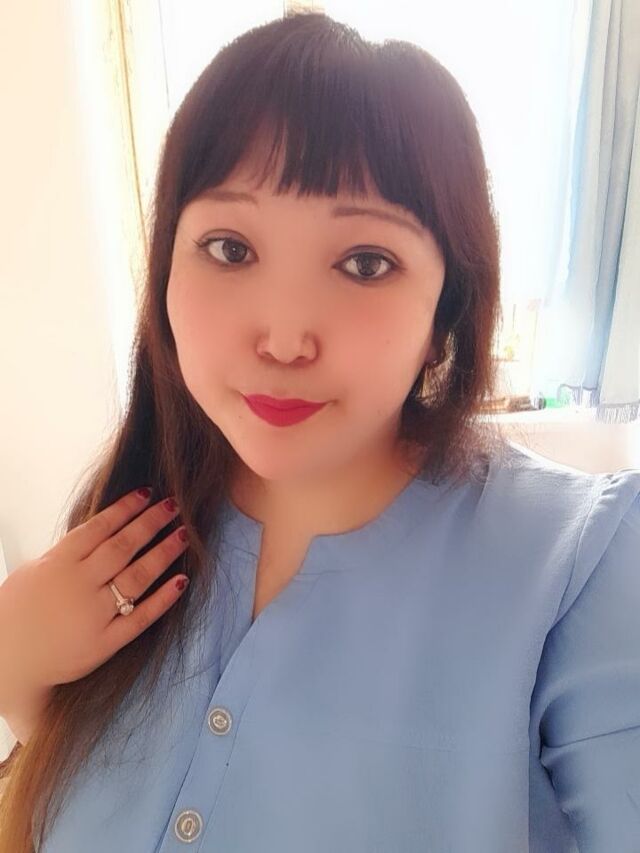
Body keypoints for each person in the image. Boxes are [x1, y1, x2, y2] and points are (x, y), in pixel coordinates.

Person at [0, 11, 639, 853]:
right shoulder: (131, 514)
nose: (284, 337)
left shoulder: (582, 563)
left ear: (445, 312)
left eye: (365, 263)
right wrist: (16, 665)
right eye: (229, 248)